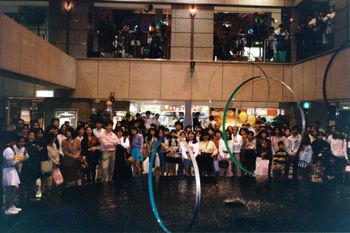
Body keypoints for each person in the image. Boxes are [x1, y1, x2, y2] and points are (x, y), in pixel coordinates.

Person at [2, 134, 24, 215]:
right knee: (9, 190)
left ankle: (11, 205)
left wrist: (19, 159)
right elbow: (11, 163)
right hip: (9, 172)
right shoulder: (8, 150)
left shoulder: (10, 149)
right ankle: (8, 207)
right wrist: (19, 161)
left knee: (13, 190)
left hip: (11, 171)